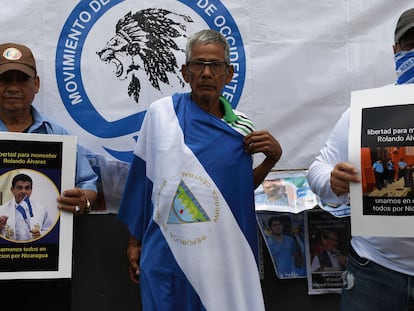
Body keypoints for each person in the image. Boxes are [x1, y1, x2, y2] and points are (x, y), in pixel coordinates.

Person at [118, 29, 282, 311]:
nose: (206, 73)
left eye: (215, 66)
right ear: (185, 71)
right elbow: (141, 182)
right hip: (168, 250)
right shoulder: (161, 115)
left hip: (222, 253)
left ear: (228, 74)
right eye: (198, 64)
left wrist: (271, 160)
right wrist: (134, 242)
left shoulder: (241, 127)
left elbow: (236, 191)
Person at [307, 8, 414, 311]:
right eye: (410, 45)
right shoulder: (367, 111)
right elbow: (317, 172)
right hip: (376, 272)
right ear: (396, 51)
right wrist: (332, 180)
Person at [0, 42, 98, 310]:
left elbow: (88, 187)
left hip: (45, 275)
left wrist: (83, 201)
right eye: (5, 79)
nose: (13, 87)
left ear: (37, 84)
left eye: (22, 79)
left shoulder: (58, 137)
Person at [0, 173, 54, 240]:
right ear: (12, 190)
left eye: (27, 188)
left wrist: (41, 234)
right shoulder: (1, 210)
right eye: (19, 188)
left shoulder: (41, 209)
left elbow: (50, 231)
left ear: (31, 190)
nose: (23, 191)